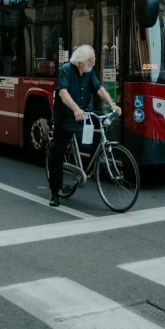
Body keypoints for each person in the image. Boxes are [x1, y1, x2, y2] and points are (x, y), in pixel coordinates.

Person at [47, 44, 121, 207]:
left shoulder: (88, 72)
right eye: (92, 63)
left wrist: (112, 104)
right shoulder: (67, 69)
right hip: (66, 117)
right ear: (81, 63)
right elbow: (63, 93)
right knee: (57, 153)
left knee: (98, 130)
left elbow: (99, 88)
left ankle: (90, 168)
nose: (93, 65)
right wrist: (75, 109)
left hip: (83, 116)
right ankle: (55, 192)